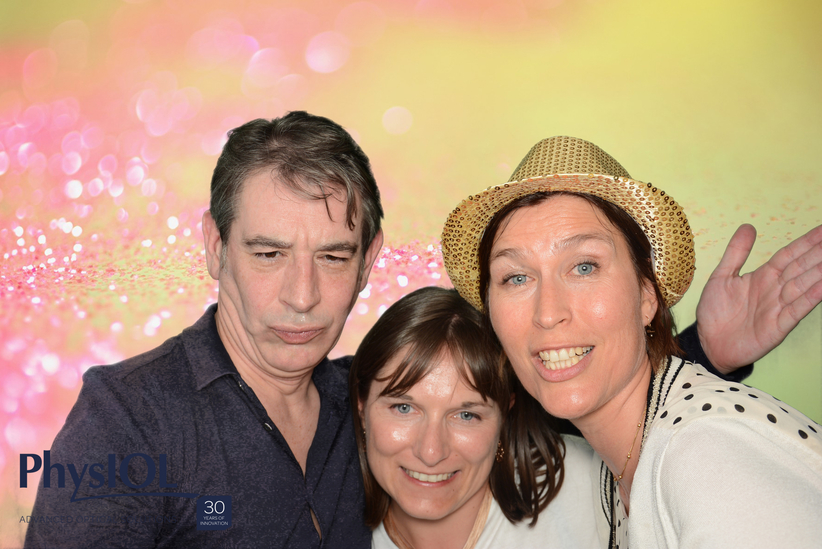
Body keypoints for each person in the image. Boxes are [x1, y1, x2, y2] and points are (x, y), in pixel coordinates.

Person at [22, 111, 810, 548]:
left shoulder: (364, 397)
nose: (302, 295)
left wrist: (700, 351)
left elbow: (563, 388)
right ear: (213, 247)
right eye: (268, 252)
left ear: (368, 261)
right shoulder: (126, 418)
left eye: (333, 255)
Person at [440, 135, 822, 548]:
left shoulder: (706, 452)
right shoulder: (617, 466)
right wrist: (703, 350)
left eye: (584, 267)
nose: (548, 313)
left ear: (646, 296)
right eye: (516, 277)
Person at [350, 286, 603, 549]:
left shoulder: (587, 481)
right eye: (403, 408)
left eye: (466, 415)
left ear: (504, 416)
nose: (431, 453)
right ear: (361, 406)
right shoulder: (332, 530)